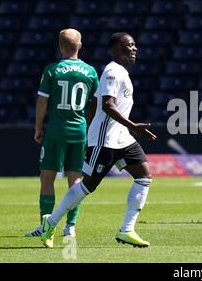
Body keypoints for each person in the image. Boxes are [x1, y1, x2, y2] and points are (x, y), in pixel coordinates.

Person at [40, 32, 157, 248]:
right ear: (117, 49)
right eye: (130, 45)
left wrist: (97, 128)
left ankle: (127, 230)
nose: (135, 49)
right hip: (106, 140)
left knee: (144, 176)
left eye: (134, 45)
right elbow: (107, 105)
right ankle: (51, 222)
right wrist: (133, 127)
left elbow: (94, 104)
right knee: (87, 186)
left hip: (121, 138)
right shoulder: (113, 71)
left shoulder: (120, 71)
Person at [25, 28, 99, 237]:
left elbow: (42, 101)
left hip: (56, 130)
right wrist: (89, 126)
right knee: (76, 180)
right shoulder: (91, 72)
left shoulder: (52, 69)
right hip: (80, 130)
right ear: (80, 45)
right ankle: (70, 227)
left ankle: (45, 227)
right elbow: (95, 104)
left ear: (60, 46)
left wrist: (38, 127)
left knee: (47, 177)